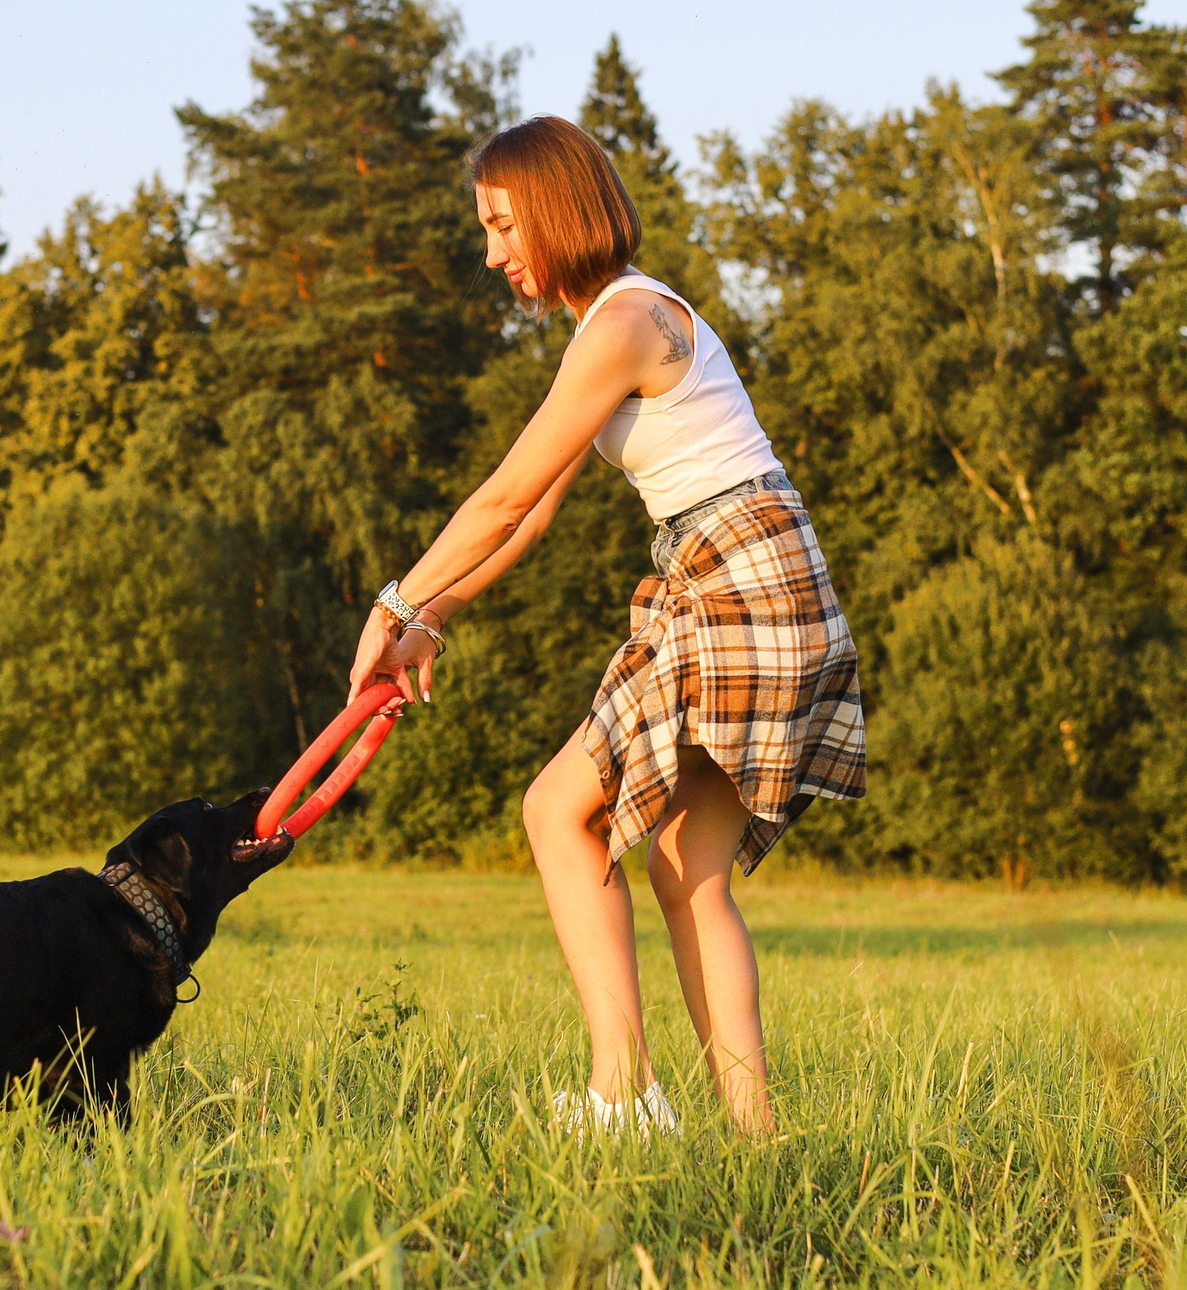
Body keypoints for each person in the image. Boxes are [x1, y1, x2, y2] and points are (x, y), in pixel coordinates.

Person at [345, 115, 864, 1136]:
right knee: (686, 872)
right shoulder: (613, 326)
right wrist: (437, 615)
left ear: (552, 212)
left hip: (737, 582)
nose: (493, 253)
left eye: (502, 227)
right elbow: (535, 510)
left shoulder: (627, 322)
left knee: (555, 813)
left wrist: (393, 603)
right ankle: (757, 1142)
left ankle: (624, 1098)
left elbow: (500, 498)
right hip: (756, 575)